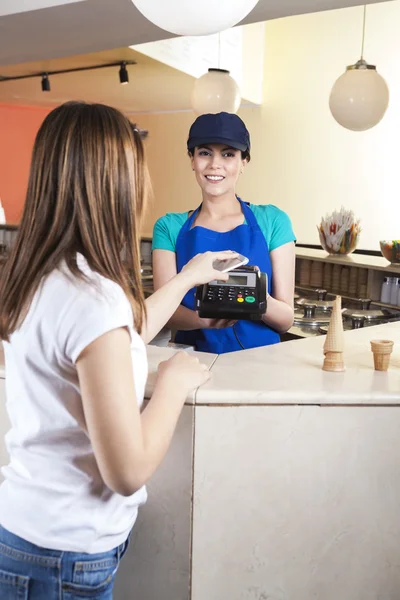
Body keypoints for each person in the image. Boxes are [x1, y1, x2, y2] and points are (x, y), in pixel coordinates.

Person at [0, 101, 235, 599]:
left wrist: (192, 275)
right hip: (64, 557)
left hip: (24, 533)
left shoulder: (42, 277)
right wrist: (174, 382)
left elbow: (120, 334)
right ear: (117, 183)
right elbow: (126, 471)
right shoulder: (93, 298)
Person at [152, 112, 296, 354]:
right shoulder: (169, 227)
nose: (214, 164)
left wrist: (256, 299)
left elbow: (286, 320)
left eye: (228, 154)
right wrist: (205, 320)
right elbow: (163, 312)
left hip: (264, 368)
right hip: (193, 365)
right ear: (192, 160)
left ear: (243, 163)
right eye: (204, 153)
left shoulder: (273, 221)